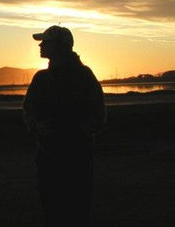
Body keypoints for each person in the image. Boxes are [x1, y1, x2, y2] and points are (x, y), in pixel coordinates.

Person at [23, 25, 106, 227]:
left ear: (60, 46)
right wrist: (37, 126)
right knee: (51, 207)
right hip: (48, 155)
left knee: (76, 208)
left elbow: (97, 115)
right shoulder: (40, 79)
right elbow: (28, 110)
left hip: (76, 156)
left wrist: (76, 134)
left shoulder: (84, 77)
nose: (41, 45)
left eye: (46, 42)